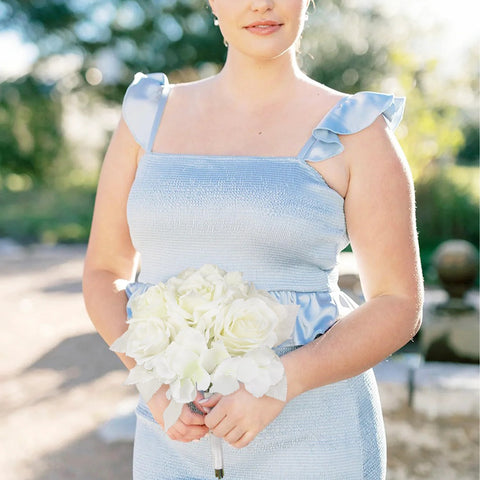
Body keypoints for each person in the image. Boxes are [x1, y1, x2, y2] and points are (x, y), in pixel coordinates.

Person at [82, 0, 423, 478]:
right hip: (172, 436)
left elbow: (397, 302)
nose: (261, 3)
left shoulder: (359, 132)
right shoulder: (147, 114)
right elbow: (104, 272)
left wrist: (281, 382)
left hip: (317, 436)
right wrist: (157, 391)